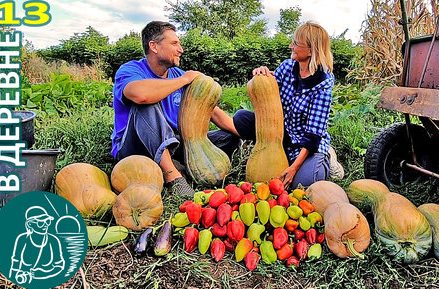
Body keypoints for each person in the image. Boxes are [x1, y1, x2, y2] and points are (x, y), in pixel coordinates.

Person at [111, 21, 240, 195]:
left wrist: (247, 135)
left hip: (174, 142)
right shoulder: (130, 70)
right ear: (154, 46)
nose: (181, 49)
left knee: (228, 138)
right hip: (135, 148)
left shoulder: (178, 74)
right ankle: (174, 178)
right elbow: (140, 95)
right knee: (145, 104)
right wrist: (185, 80)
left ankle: (177, 164)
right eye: (174, 43)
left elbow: (213, 112)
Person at [232, 21, 344, 189]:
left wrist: (293, 168)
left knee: (303, 183)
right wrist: (262, 75)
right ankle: (276, 153)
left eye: (296, 43)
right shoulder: (287, 66)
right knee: (241, 118)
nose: (291, 46)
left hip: (307, 143)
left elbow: (313, 135)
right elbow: (267, 91)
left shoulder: (324, 83)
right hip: (281, 134)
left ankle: (327, 157)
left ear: (311, 50)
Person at [10, 206, 64, 285]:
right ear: (30, 224)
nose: (45, 225)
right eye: (40, 223)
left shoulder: (53, 241)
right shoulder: (22, 239)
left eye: (47, 221)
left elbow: (59, 266)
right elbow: (15, 262)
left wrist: (45, 274)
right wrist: (13, 278)